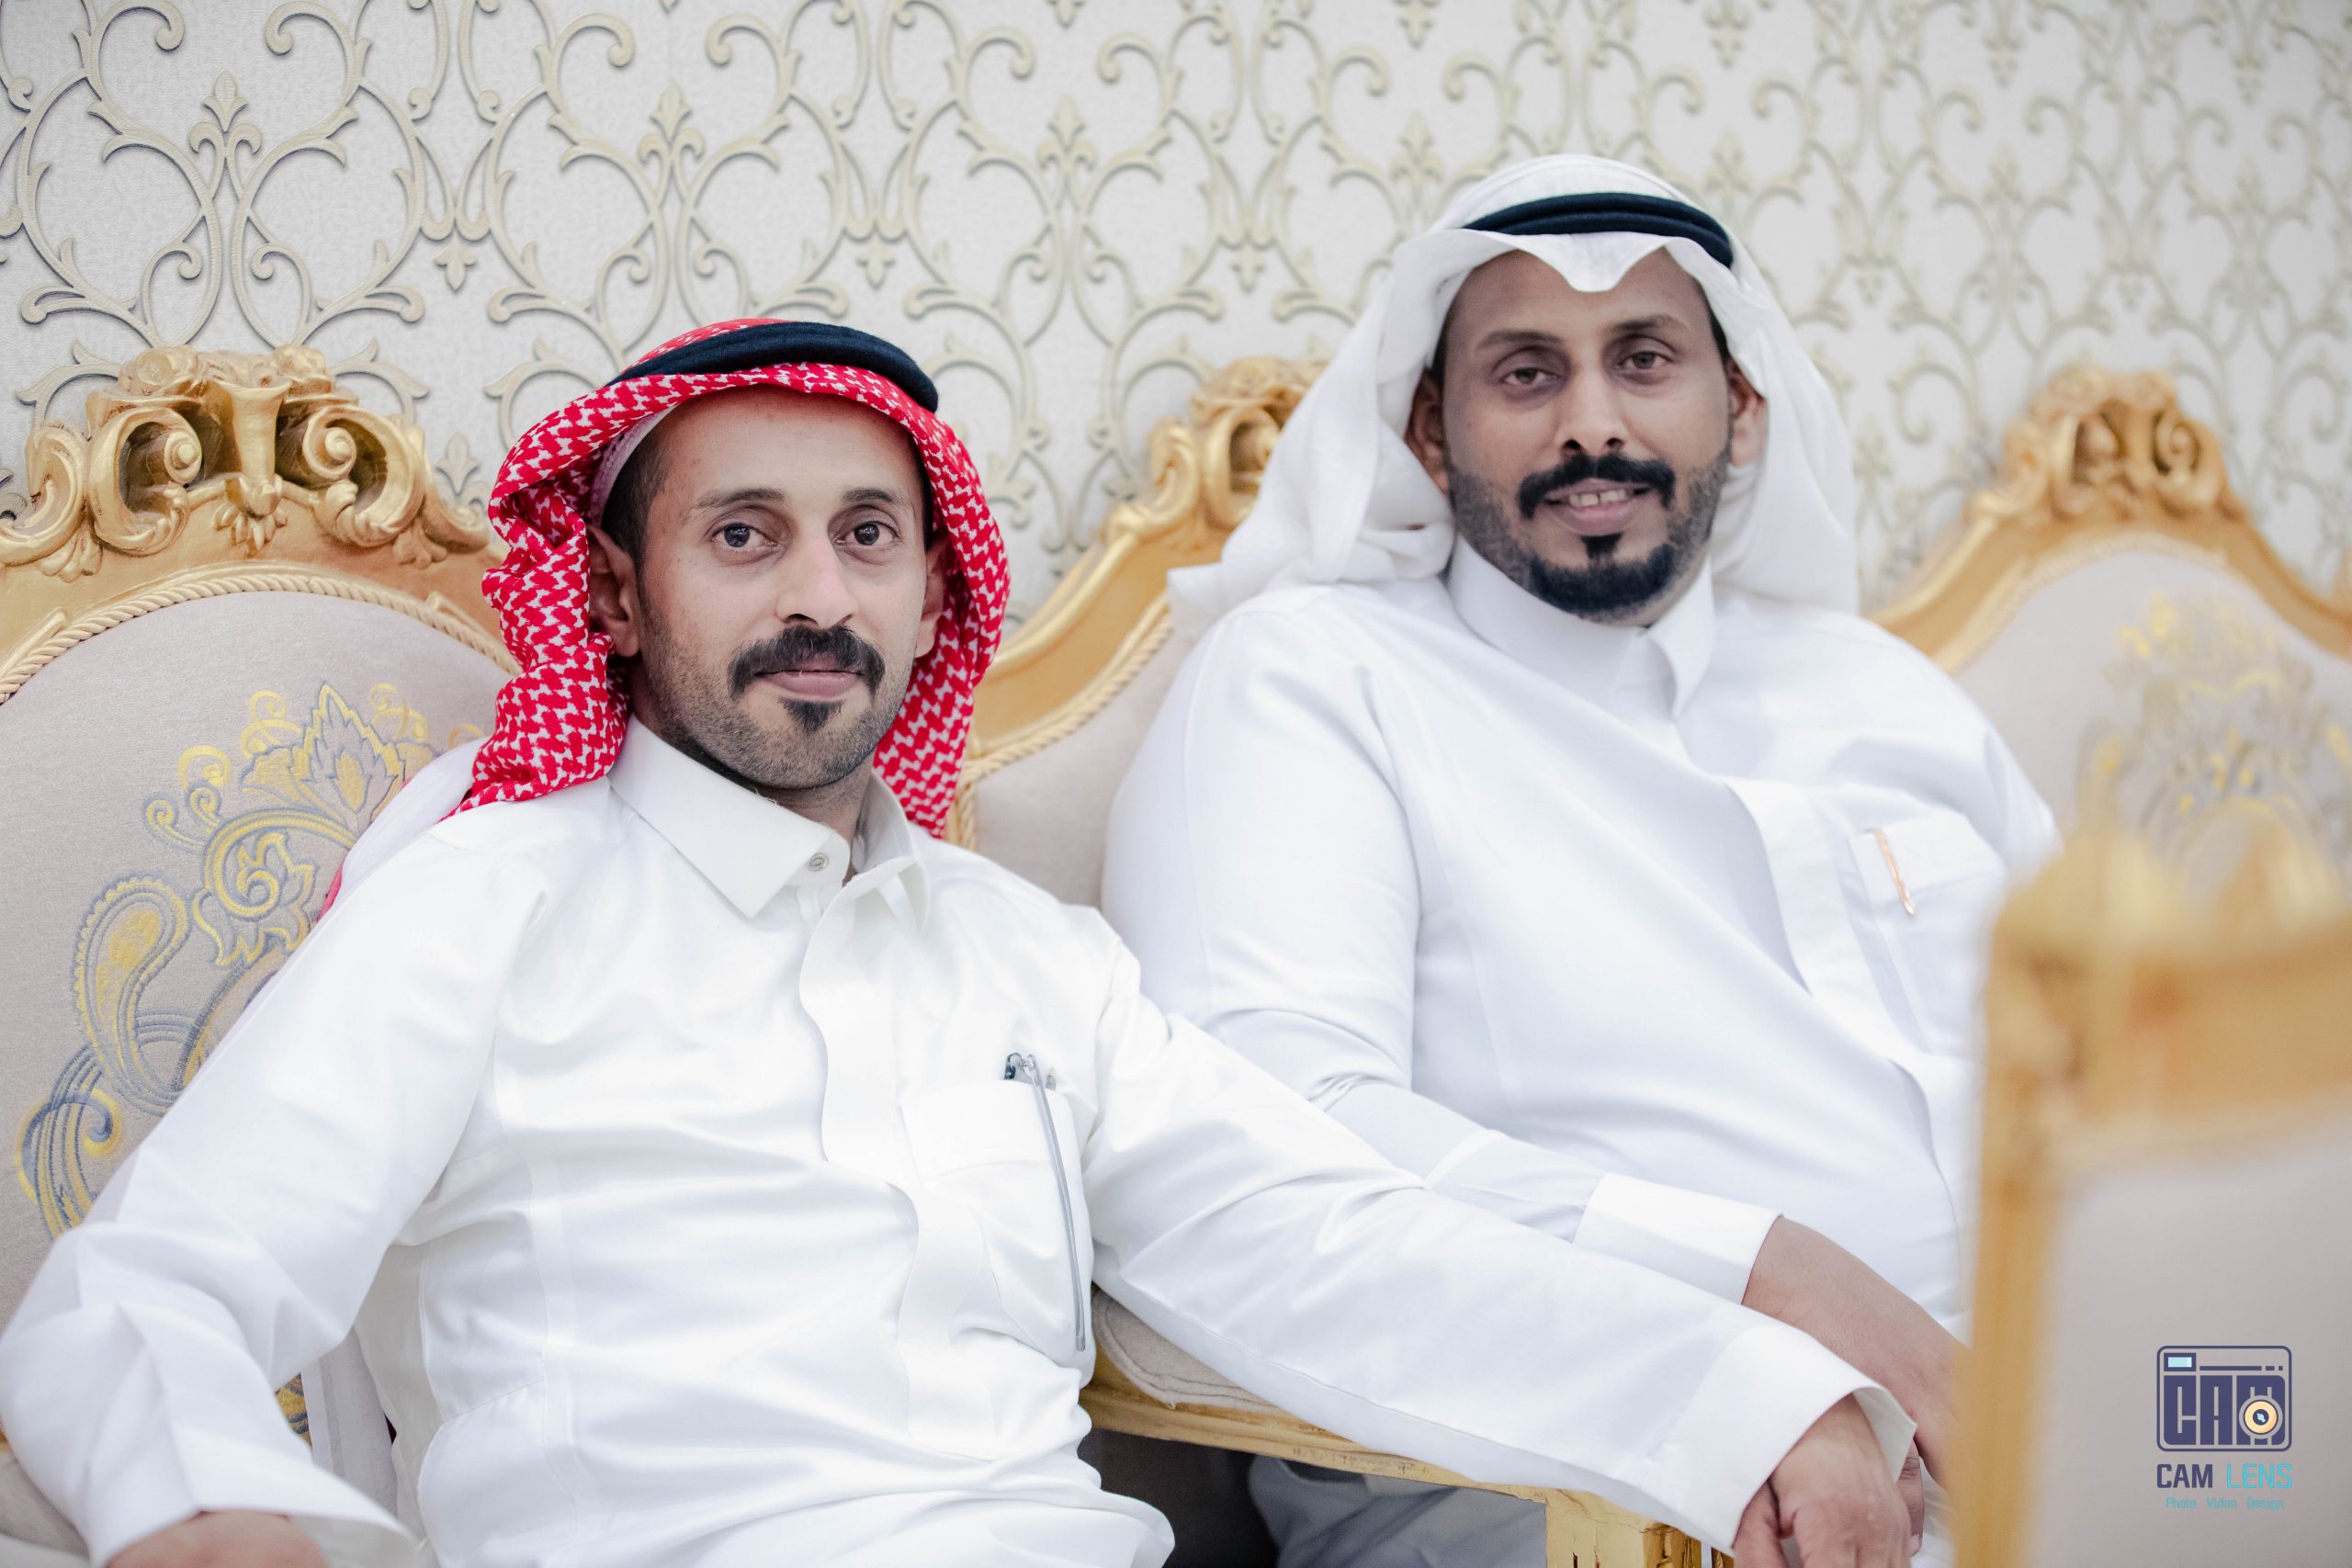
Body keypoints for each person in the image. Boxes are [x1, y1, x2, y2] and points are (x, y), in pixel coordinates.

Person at [0, 321, 1915, 1568]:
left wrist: (1752, 1395)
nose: (818, 596)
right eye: (742, 537)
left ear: (934, 596)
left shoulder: (1026, 957)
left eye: (867, 536)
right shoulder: (477, 906)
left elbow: (1332, 1243)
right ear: (616, 591)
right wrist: (207, 1508)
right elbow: (151, 1289)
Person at [1101, 157, 2059, 1567]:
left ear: (1742, 406)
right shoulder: (1319, 681)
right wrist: (1763, 1303)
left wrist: (2232, 1418)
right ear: (1431, 430)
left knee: (2275, 1460)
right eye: (1527, 372)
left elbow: (2123, 1075)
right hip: (1618, 1501)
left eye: (1645, 358)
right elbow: (1272, 1141)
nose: (1593, 423)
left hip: (2068, 1436)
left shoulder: (1886, 694)